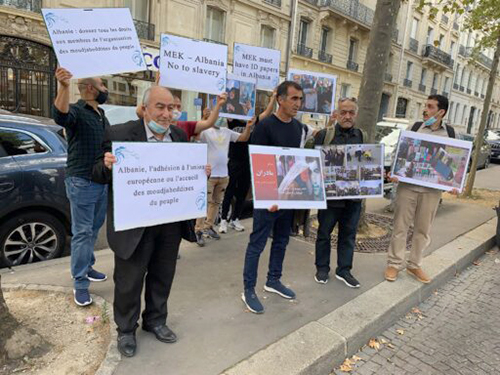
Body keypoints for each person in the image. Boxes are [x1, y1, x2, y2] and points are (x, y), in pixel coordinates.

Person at [92, 86, 211, 358]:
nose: (167, 113)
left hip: (169, 223)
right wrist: (107, 166)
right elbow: (96, 173)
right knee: (129, 280)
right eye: (160, 107)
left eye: (171, 108)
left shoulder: (180, 136)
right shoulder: (120, 134)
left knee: (162, 275)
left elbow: (182, 176)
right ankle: (125, 329)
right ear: (144, 108)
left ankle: (155, 320)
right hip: (134, 225)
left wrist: (199, 173)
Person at [241, 81, 311, 314]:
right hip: (268, 199)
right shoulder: (265, 126)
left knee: (281, 241)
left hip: (289, 198)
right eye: (294, 99)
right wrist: (268, 196)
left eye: (300, 99)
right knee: (257, 244)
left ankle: (273, 280)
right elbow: (257, 163)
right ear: (280, 99)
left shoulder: (299, 128)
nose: (298, 104)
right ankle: (248, 289)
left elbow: (298, 163)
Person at [385, 95, 458, 284]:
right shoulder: (415, 127)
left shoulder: (450, 133)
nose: (425, 110)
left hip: (431, 192)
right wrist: (394, 170)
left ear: (441, 112)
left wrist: (455, 184)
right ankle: (394, 264)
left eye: (430, 107)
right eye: (425, 106)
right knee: (400, 227)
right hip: (407, 188)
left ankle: (414, 265)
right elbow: (398, 152)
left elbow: (454, 164)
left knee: (423, 230)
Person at [52, 67, 109, 307]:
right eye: (102, 85)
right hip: (82, 181)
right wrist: (64, 86)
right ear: (89, 89)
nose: (105, 89)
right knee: (83, 233)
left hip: (100, 181)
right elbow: (61, 116)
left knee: (93, 230)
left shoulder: (101, 113)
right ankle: (80, 283)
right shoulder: (76, 110)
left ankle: (87, 266)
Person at [312, 97, 364, 288]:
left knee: (348, 234)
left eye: (351, 112)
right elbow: (313, 165)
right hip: (330, 198)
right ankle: (322, 269)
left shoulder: (362, 136)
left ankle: (344, 270)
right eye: (343, 112)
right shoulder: (324, 135)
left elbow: (367, 164)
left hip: (353, 199)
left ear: (356, 115)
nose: (347, 116)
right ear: (336, 114)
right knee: (324, 233)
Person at [219, 90, 277, 234]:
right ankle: (223, 220)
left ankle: (235, 219)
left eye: (248, 106)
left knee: (243, 192)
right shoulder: (233, 119)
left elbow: (267, 113)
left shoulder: (253, 121)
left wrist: (274, 98)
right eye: (245, 105)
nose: (247, 107)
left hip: (248, 161)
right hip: (233, 161)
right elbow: (224, 110)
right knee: (229, 191)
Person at [194, 116, 254, 246]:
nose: (219, 119)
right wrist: (205, 118)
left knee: (216, 202)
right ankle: (198, 230)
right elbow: (195, 135)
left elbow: (243, 138)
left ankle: (208, 227)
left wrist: (248, 127)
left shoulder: (227, 132)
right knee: (203, 203)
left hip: (223, 174)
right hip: (209, 175)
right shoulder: (206, 132)